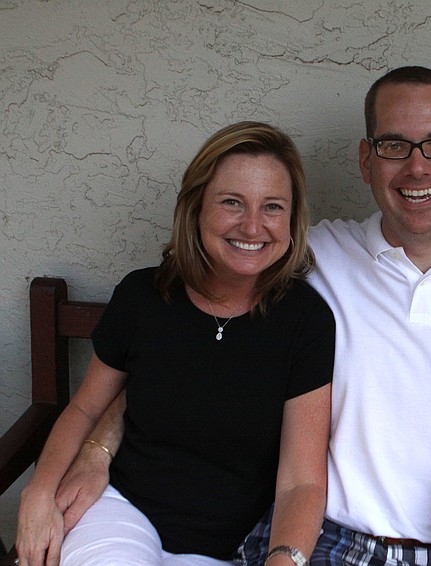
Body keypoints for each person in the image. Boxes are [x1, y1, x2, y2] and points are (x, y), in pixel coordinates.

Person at [47, 67, 431, 566]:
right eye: (393, 145)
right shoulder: (306, 255)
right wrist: (98, 449)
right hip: (334, 540)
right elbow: (179, 335)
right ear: (366, 161)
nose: (417, 166)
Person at [15, 121, 335, 566]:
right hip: (122, 512)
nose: (252, 225)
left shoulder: (305, 320)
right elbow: (87, 407)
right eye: (231, 202)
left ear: (292, 218)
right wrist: (39, 492)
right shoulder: (144, 296)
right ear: (196, 205)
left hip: (233, 547)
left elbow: (301, 481)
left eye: (273, 207)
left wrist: (283, 559)